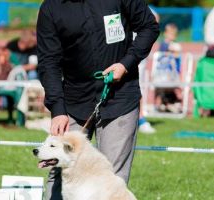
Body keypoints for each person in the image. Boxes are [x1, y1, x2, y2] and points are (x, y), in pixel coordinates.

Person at [37, 0, 160, 199]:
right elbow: (48, 61)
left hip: (120, 97)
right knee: (58, 170)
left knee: (112, 178)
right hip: (73, 102)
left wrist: (125, 64)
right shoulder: (51, 7)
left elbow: (149, 27)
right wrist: (58, 109)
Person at [138, 8, 160, 134]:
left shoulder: (149, 10)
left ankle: (140, 119)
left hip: (137, 58)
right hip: (126, 56)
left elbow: (153, 29)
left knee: (138, 88)